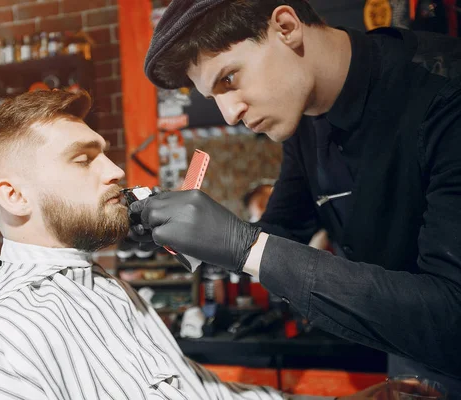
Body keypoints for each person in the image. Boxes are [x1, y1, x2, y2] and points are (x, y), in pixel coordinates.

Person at [0, 89, 387, 399]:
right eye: (83, 158)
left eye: (105, 153)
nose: (115, 170)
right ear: (14, 195)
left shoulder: (109, 293)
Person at [130, 0, 461, 392]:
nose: (229, 115)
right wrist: (196, 237)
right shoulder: (306, 122)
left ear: (286, 27)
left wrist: (243, 245)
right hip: (405, 352)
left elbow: (453, 318)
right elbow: (281, 231)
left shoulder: (444, 93)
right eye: (213, 97)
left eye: (230, 79)